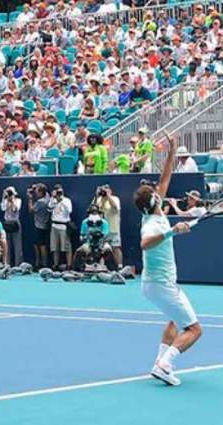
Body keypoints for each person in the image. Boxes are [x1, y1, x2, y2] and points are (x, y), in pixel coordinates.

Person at [134, 134, 201, 386]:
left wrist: (171, 153)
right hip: (162, 284)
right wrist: (173, 231)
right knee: (194, 329)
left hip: (152, 285)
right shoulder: (151, 224)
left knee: (174, 320)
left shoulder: (154, 209)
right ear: (153, 201)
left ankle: (158, 362)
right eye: (154, 192)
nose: (157, 190)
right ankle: (166, 364)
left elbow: (165, 179)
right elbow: (145, 243)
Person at [73, 205, 117, 271]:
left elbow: (106, 236)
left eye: (95, 212)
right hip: (89, 243)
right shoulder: (85, 222)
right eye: (92, 212)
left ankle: (113, 270)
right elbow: (82, 236)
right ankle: (76, 269)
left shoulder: (104, 223)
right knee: (79, 251)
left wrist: (100, 237)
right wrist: (85, 237)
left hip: (101, 243)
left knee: (108, 250)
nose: (94, 214)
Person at [93, 185, 123, 269]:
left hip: (113, 228)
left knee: (115, 247)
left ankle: (119, 267)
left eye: (107, 189)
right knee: (99, 248)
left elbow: (115, 207)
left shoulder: (115, 198)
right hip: (101, 229)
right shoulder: (99, 200)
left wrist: (108, 196)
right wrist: (96, 196)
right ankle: (101, 267)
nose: (105, 191)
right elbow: (92, 209)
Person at [48, 184, 73, 270]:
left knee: (66, 246)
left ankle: (69, 265)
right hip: (54, 225)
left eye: (60, 192)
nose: (58, 193)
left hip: (64, 225)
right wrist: (53, 199)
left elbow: (69, 210)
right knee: (54, 247)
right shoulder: (52, 200)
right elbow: (49, 209)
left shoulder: (67, 200)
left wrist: (61, 201)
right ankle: (55, 264)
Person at [27, 183, 51, 270]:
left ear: (41, 192)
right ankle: (40, 263)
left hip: (39, 225)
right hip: (44, 225)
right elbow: (44, 190)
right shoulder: (47, 197)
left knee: (40, 245)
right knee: (39, 244)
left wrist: (30, 198)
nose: (35, 193)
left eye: (37, 191)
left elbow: (31, 210)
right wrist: (35, 187)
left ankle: (41, 264)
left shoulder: (41, 202)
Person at [0, 186, 23, 266]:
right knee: (7, 244)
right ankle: (7, 263)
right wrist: (4, 197)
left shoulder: (18, 200)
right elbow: (3, 208)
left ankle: (18, 265)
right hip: (7, 223)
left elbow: (15, 209)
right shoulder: (5, 200)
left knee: (17, 245)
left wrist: (12, 200)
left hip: (15, 222)